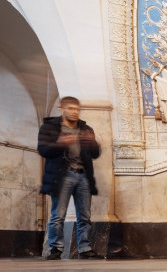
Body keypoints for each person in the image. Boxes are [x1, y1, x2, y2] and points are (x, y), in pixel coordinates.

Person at [37, 96, 104, 260]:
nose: (74, 112)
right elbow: (43, 150)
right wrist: (61, 142)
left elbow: (95, 154)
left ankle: (85, 248)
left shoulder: (85, 128)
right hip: (62, 176)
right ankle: (56, 249)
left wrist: (93, 143)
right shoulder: (50, 127)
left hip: (83, 176)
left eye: (77, 109)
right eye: (70, 108)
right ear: (61, 109)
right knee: (58, 215)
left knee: (85, 216)